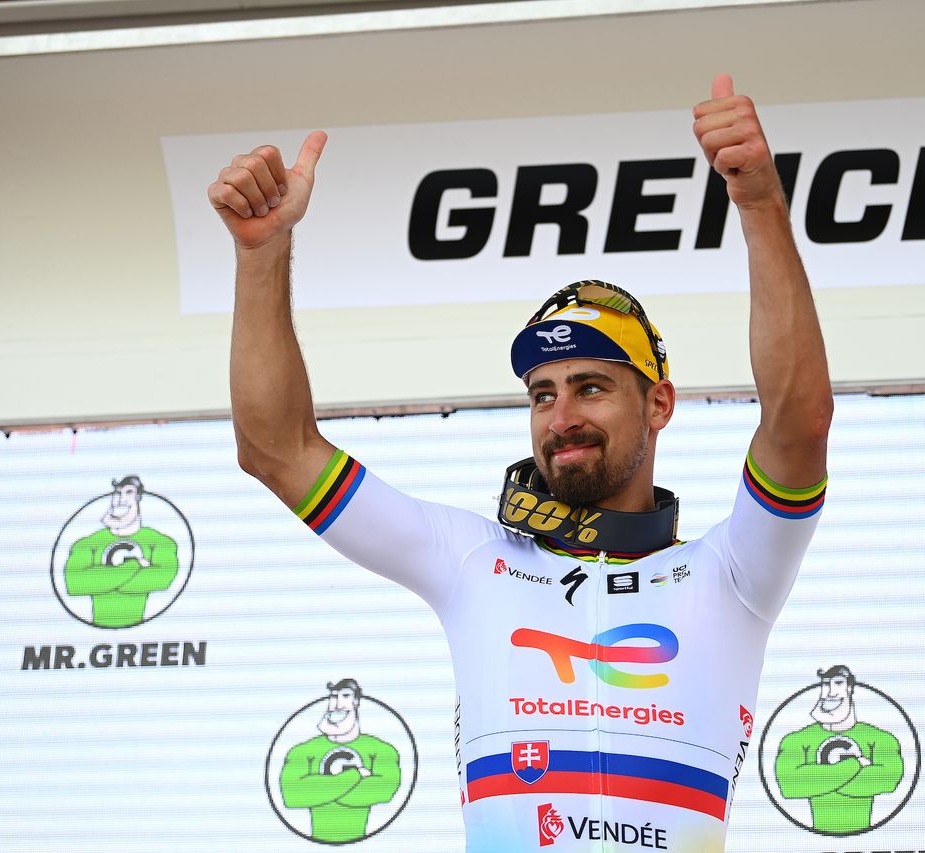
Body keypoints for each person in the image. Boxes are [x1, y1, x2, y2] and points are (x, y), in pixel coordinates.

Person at [210, 75, 832, 852]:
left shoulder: (734, 572)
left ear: (660, 405)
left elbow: (800, 421)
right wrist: (261, 254)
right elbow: (276, 448)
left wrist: (760, 203)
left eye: (592, 387)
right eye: (542, 394)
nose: (561, 416)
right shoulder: (473, 559)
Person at [775, 665, 903, 835]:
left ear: (850, 688)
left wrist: (819, 780)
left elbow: (888, 780)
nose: (831, 692)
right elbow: (789, 786)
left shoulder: (881, 739)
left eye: (838, 683)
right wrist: (855, 764)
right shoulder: (796, 740)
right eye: (826, 684)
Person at [280, 679, 402, 842]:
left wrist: (320, 790)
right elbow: (292, 796)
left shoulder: (382, 751)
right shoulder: (302, 751)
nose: (338, 704)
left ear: (356, 701)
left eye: (345, 696)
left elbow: (384, 791)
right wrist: (356, 775)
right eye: (333, 696)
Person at [63, 475, 179, 628]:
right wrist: (134, 564)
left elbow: (162, 580)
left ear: (138, 497)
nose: (122, 499)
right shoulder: (87, 544)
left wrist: (102, 580)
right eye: (118, 493)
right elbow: (75, 584)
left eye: (129, 492)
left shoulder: (160, 542)